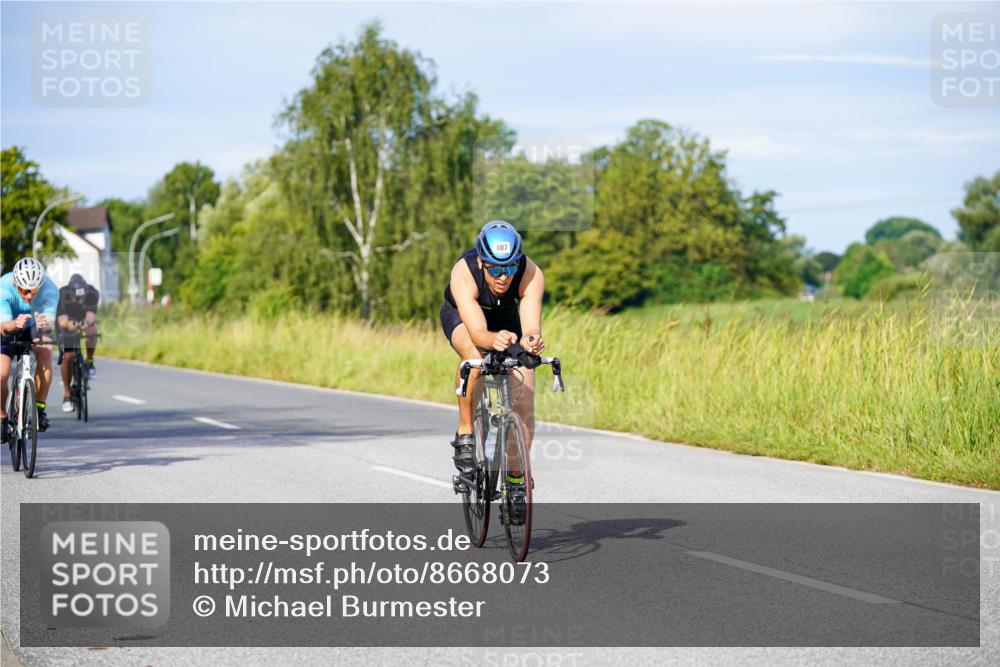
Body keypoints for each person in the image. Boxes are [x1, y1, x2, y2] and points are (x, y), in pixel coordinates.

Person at [439, 220, 545, 506]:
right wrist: (493, 340)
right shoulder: (464, 273)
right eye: (496, 269)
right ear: (482, 261)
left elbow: (531, 326)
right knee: (474, 358)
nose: (503, 277)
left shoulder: (531, 273)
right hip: (466, 320)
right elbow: (478, 334)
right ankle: (465, 433)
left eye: (510, 267)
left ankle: (515, 478)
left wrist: (532, 341)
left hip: (508, 321)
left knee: (525, 397)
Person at [1, 257, 59, 441]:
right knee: (1, 374)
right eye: (25, 290)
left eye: (34, 290)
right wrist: (15, 324)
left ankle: (39, 409)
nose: (29, 296)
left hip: (34, 325)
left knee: (46, 352)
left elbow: (50, 325)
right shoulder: (3, 287)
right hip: (8, 325)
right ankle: (2, 417)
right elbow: (3, 326)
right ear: (16, 284)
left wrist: (45, 324)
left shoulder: (50, 289)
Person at [56, 273, 100, 412]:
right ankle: (67, 395)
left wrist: (85, 324)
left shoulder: (92, 293)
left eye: (83, 297)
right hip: (66, 322)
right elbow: (63, 322)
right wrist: (72, 325)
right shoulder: (62, 295)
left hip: (82, 318)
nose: (80, 300)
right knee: (67, 357)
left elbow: (91, 317)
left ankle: (90, 362)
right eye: (77, 297)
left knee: (93, 330)